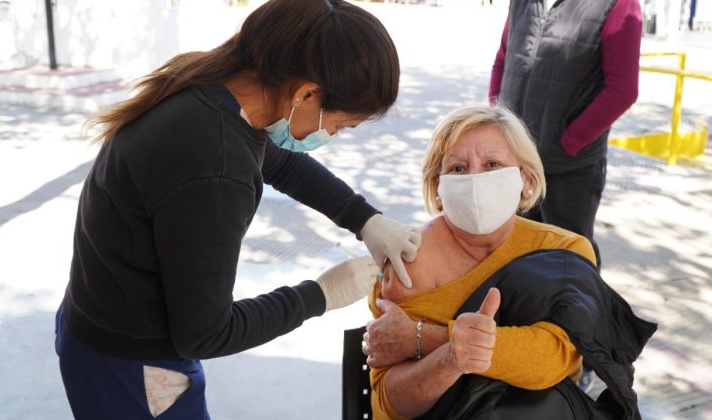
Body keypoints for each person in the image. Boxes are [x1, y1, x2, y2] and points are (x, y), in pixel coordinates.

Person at [54, 1, 423, 418]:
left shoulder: (213, 89)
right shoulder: (215, 170)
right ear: (305, 93)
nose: (332, 135)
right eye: (338, 126)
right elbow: (207, 334)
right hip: (131, 364)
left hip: (99, 321)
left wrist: (365, 219)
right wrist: (318, 296)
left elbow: (275, 160)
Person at [361, 105, 656, 419]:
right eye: (458, 168)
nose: (476, 179)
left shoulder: (565, 250)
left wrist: (424, 337)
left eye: (492, 164)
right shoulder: (408, 260)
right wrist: (449, 359)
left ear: (525, 180)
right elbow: (390, 405)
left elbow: (551, 361)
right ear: (438, 187)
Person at [488, 0, 643, 270]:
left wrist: (568, 143)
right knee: (514, 254)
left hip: (569, 168)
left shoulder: (619, 4)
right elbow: (503, 58)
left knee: (569, 262)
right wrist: (496, 120)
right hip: (514, 161)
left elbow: (623, 89)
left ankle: (579, 314)